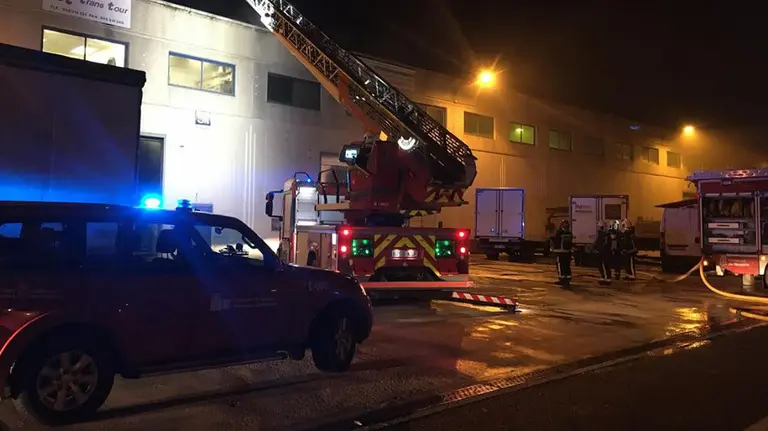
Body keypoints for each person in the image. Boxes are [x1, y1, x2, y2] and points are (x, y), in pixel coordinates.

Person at [550, 219, 573, 286]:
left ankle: (562, 279)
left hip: (560, 252)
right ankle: (568, 280)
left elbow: (555, 240)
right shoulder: (569, 233)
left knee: (560, 266)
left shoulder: (559, 232)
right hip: (567, 253)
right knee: (567, 266)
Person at [594, 220, 613, 285]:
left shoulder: (603, 235)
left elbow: (601, 244)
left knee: (604, 266)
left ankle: (606, 279)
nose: (598, 228)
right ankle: (604, 277)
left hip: (603, 253)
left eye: (598, 227)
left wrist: (597, 249)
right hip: (605, 252)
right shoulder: (606, 235)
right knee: (604, 266)